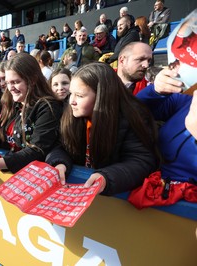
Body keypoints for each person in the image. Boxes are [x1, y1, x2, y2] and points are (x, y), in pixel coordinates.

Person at [46, 62, 158, 195]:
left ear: (101, 96)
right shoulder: (73, 114)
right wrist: (59, 162)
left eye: (80, 96)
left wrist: (107, 177)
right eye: (71, 93)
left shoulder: (132, 117)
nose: (72, 101)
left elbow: (141, 161)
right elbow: (60, 145)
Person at [0, 53, 63, 173]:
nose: (10, 88)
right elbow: (5, 138)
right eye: (8, 83)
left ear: (33, 79)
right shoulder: (14, 103)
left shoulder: (48, 107)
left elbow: (37, 150)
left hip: (36, 177)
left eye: (15, 82)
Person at [137, 68, 196, 183]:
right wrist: (156, 91)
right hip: (150, 177)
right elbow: (136, 111)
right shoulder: (188, 98)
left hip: (187, 194)